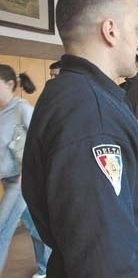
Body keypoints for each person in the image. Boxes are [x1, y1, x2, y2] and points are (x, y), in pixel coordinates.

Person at [21, 0, 138, 277]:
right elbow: (105, 262)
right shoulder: (90, 116)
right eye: (136, 28)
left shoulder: (72, 94)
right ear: (111, 30)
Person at [0, 66, 51, 278]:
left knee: (1, 229)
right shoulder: (1, 113)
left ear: (9, 85)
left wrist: (26, 175)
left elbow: (40, 141)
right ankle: (47, 268)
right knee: (37, 227)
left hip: (21, 182)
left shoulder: (22, 109)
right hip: (8, 179)